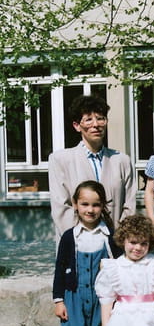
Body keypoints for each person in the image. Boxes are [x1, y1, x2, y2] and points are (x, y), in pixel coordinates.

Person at [53, 181, 121, 326]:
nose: (90, 210)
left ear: (103, 206)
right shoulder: (70, 237)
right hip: (74, 299)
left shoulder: (109, 236)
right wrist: (59, 300)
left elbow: (120, 267)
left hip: (103, 302)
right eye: (84, 204)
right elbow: (60, 269)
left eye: (95, 205)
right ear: (75, 205)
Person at [48, 95, 136, 240]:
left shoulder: (122, 161)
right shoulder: (60, 160)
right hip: (76, 241)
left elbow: (129, 206)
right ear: (77, 125)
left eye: (100, 118)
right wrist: (85, 238)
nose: (96, 124)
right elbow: (61, 208)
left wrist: (118, 238)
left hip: (115, 241)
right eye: (88, 119)